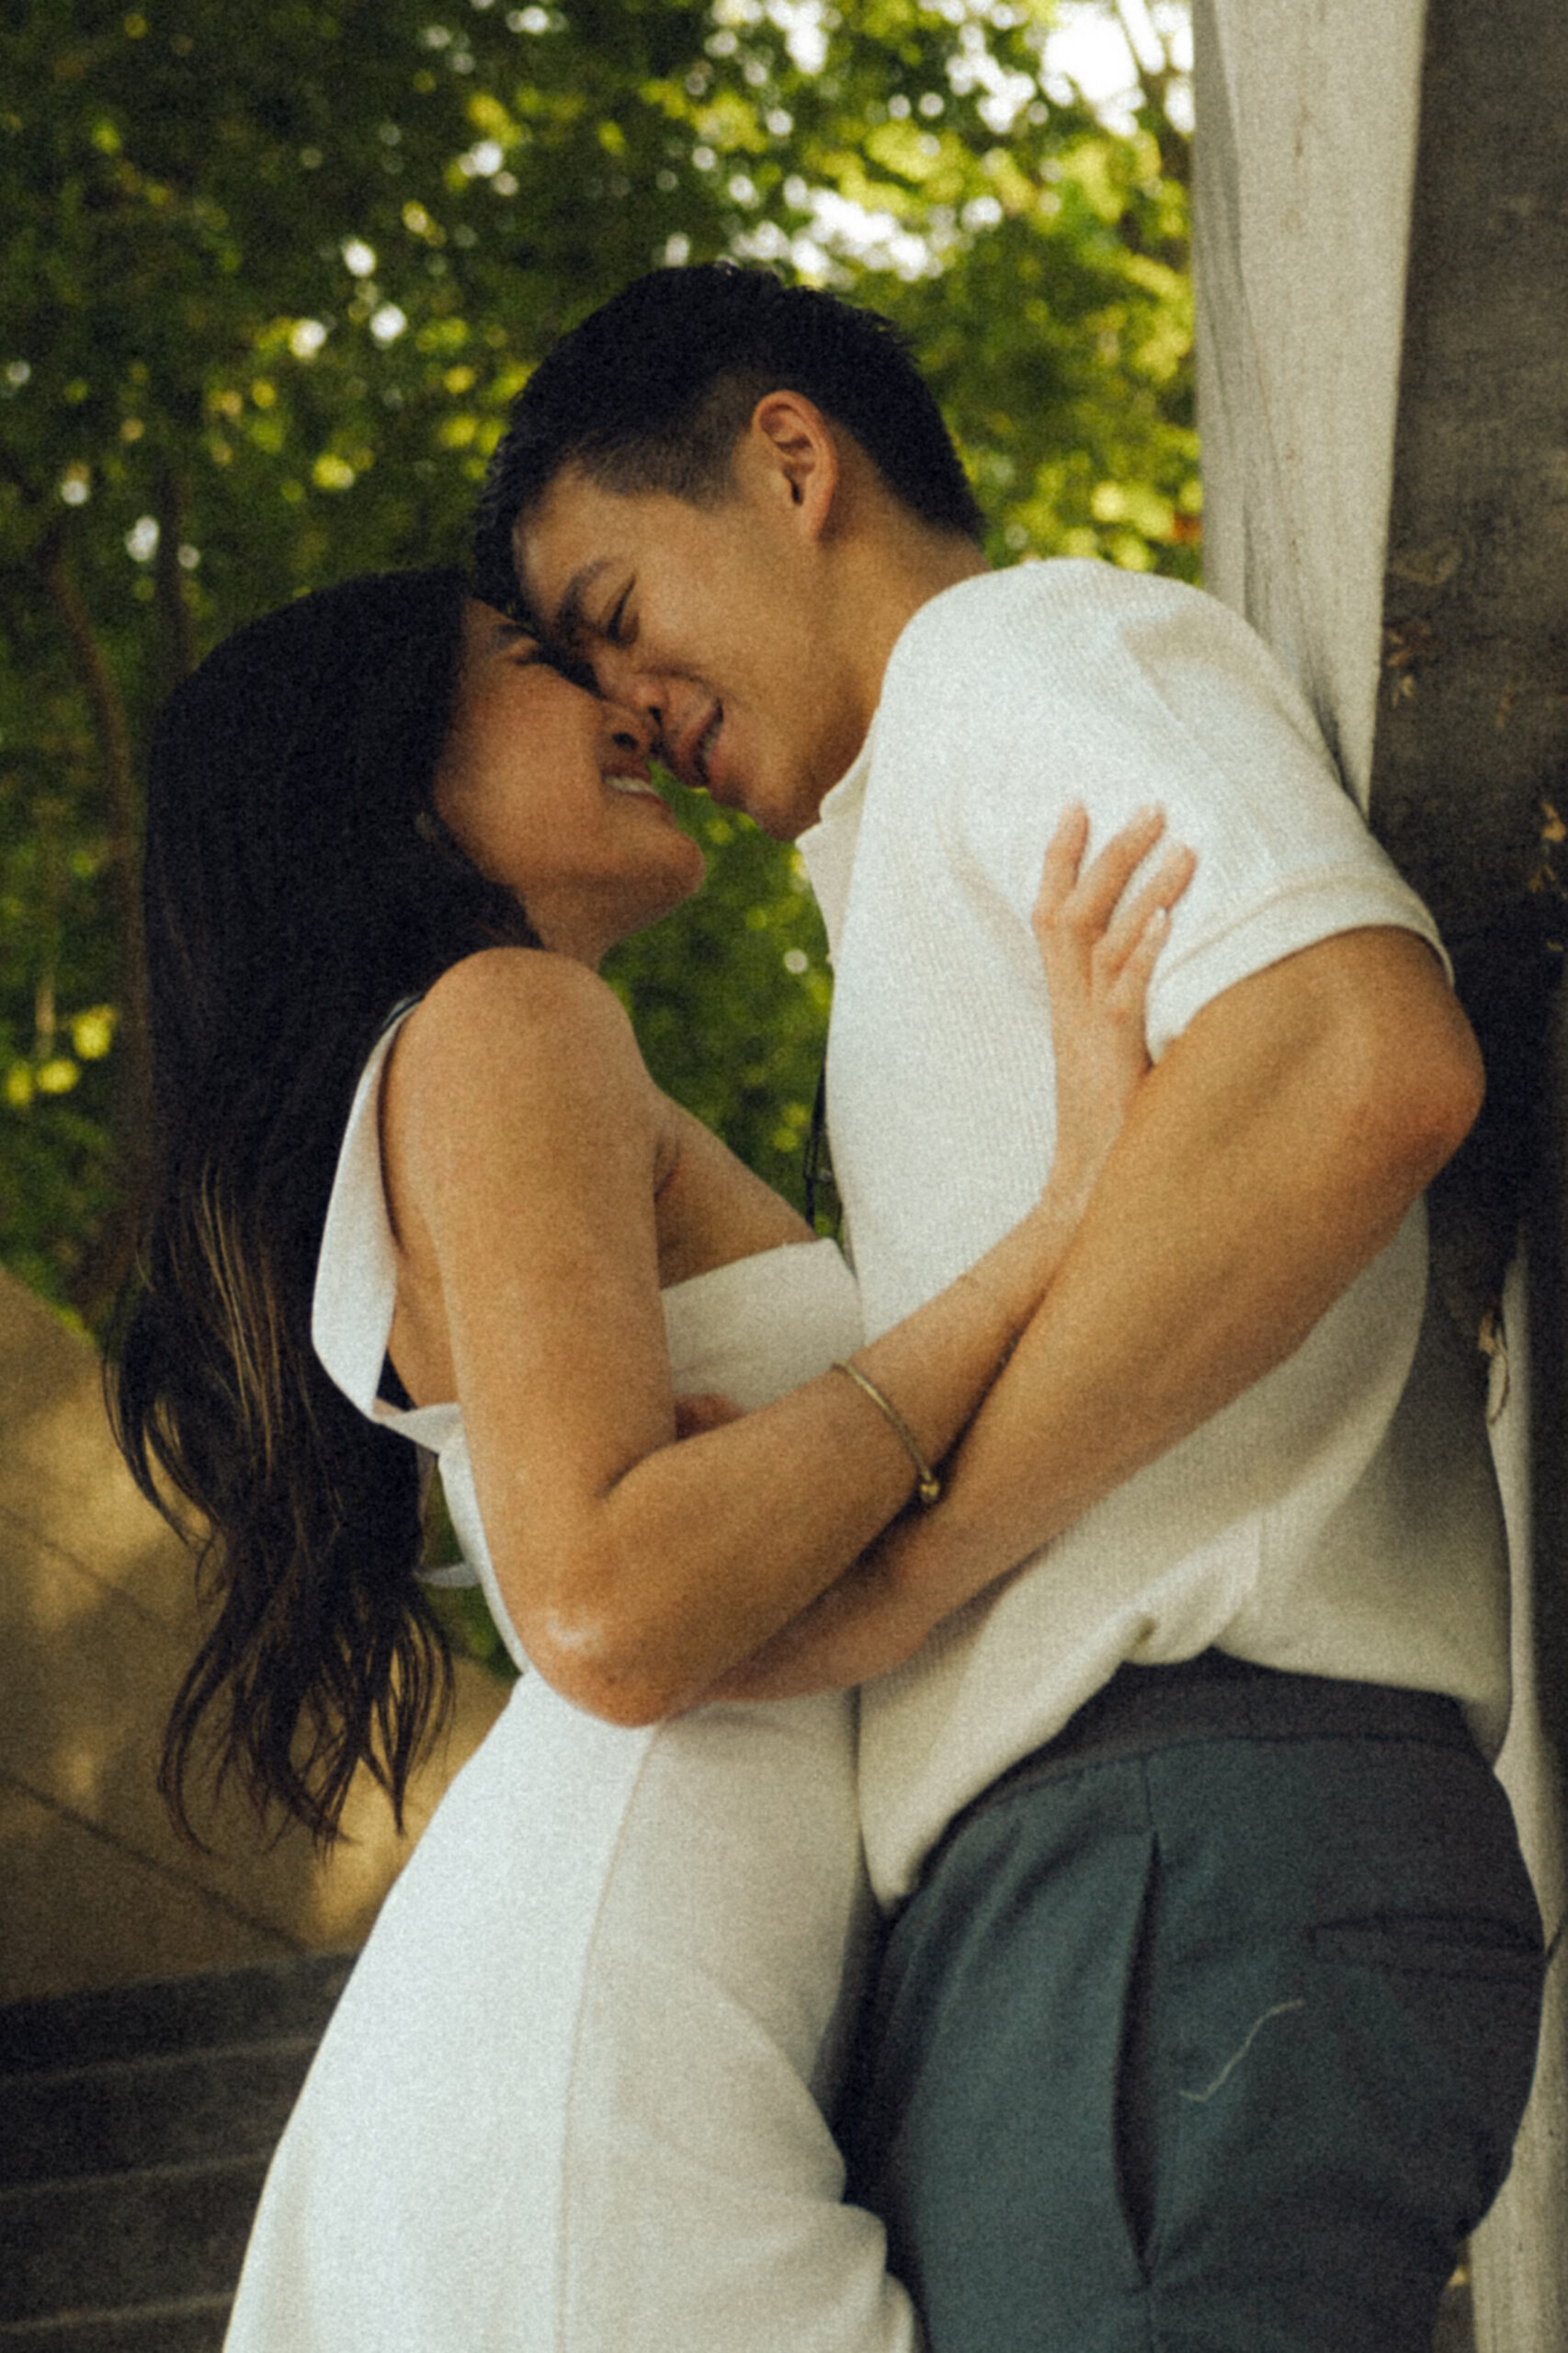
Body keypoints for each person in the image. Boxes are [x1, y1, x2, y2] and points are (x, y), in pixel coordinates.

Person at [476, 262, 1547, 2353]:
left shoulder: (1018, 652)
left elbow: (1360, 1058)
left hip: (1179, 1837)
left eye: (618, 611)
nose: (631, 709)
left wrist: (924, 1559)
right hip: (1117, 1886)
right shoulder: (901, 842)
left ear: (793, 461)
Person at [110, 564, 1194, 2350]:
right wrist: (1064, 1211)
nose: (625, 700)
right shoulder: (501, 1021)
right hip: (594, 2078)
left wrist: (769, 1482)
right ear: (401, 781)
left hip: (576, 2040)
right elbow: (609, 1602)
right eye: (544, 663)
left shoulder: (466, 1057)